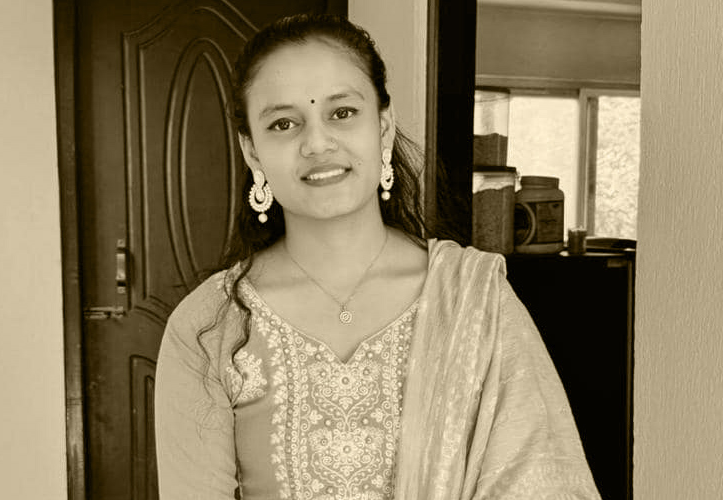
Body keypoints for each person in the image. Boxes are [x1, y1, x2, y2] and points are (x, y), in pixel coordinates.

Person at [155, 13, 600, 500]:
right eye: (283, 123)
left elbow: (542, 482)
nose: (317, 143)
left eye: (342, 113)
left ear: (383, 128)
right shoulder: (209, 326)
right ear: (253, 152)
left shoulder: (475, 300)